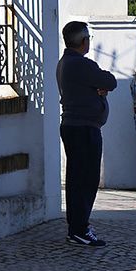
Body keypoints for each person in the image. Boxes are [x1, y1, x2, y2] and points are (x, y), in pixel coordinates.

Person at [56, 21, 116, 247]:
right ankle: (79, 228)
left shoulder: (68, 63)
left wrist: (97, 89)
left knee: (79, 178)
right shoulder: (80, 64)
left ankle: (78, 226)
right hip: (83, 128)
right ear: (84, 41)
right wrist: (100, 88)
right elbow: (109, 80)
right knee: (85, 179)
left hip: (78, 126)